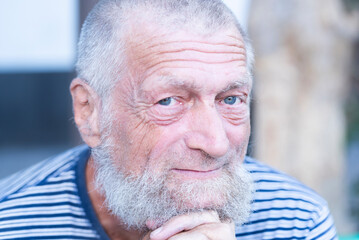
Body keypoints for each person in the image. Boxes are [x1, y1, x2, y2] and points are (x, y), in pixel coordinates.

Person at [0, 0, 337, 239]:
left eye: (231, 99)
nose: (216, 143)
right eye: (168, 101)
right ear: (89, 112)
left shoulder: (295, 222)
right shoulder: (10, 222)